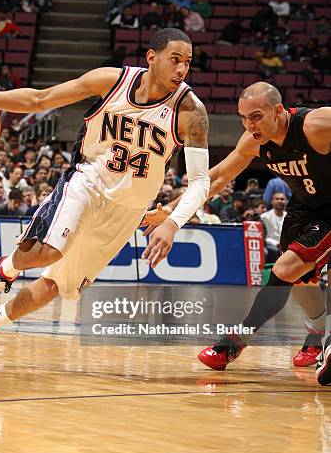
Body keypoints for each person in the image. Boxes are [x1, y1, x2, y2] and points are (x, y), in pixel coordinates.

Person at [0, 28, 210, 368]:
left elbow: (200, 182)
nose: (181, 70)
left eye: (187, 63)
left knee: (53, 287)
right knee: (47, 251)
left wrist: (174, 223)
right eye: (174, 60)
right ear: (152, 58)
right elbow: (40, 100)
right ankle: (0, 272)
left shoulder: (192, 112)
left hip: (127, 212)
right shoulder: (112, 81)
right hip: (86, 182)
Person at [142, 82, 331, 383]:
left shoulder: (315, 125)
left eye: (255, 116)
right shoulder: (254, 141)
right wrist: (172, 212)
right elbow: (215, 177)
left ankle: (233, 343)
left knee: (286, 268)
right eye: (243, 117)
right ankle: (317, 330)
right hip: (305, 209)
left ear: (278, 111)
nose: (249, 124)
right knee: (297, 281)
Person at [261, 191, 287, 263]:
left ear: (286, 201)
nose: (279, 201)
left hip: (286, 245)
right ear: (272, 201)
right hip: (270, 245)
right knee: (274, 250)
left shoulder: (289, 217)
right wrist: (277, 244)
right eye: (277, 199)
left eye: (282, 199)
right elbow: (264, 237)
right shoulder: (264, 217)